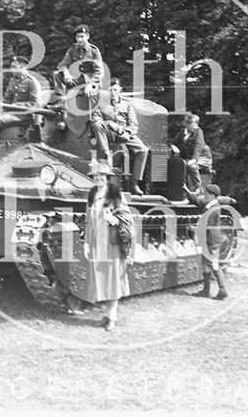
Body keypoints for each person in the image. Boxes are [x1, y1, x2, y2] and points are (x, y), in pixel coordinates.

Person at [86, 162, 134, 332]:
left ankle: (112, 318)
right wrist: (86, 242)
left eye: (102, 175)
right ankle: (106, 315)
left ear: (107, 177)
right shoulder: (92, 194)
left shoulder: (114, 193)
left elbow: (127, 216)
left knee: (112, 281)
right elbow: (88, 219)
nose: (99, 178)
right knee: (103, 281)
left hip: (111, 244)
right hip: (96, 244)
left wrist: (114, 220)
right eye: (96, 175)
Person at [91, 78, 149, 196]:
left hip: (125, 133)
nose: (113, 92)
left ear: (120, 90)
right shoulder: (102, 103)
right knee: (97, 124)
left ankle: (135, 183)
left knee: (143, 150)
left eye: (115, 90)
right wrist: (109, 123)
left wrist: (127, 132)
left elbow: (133, 124)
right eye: (110, 90)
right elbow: (96, 118)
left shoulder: (127, 104)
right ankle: (106, 152)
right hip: (110, 132)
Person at [183, 183, 228, 300]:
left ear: (212, 195)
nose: (204, 195)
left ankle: (221, 290)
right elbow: (198, 201)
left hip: (212, 239)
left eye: (206, 193)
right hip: (212, 239)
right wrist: (188, 192)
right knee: (206, 264)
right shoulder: (211, 205)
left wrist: (194, 229)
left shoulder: (213, 209)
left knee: (213, 264)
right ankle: (207, 290)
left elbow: (208, 226)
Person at [52, 24, 103, 103]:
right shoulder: (73, 49)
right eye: (77, 37)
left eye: (82, 37)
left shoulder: (94, 51)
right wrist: (66, 73)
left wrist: (91, 84)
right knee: (57, 74)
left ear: (87, 36)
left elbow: (99, 72)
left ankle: (93, 112)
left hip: (90, 81)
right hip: (76, 80)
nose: (79, 39)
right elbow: (63, 64)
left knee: (90, 93)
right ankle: (60, 99)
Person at [171, 113, 212, 191]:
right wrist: (173, 146)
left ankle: (199, 189)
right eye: (193, 125)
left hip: (204, 156)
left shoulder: (199, 131)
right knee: (181, 165)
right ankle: (185, 190)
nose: (195, 127)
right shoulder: (183, 132)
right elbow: (174, 142)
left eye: (196, 124)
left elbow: (199, 145)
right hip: (191, 157)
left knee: (192, 166)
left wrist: (194, 159)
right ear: (187, 124)